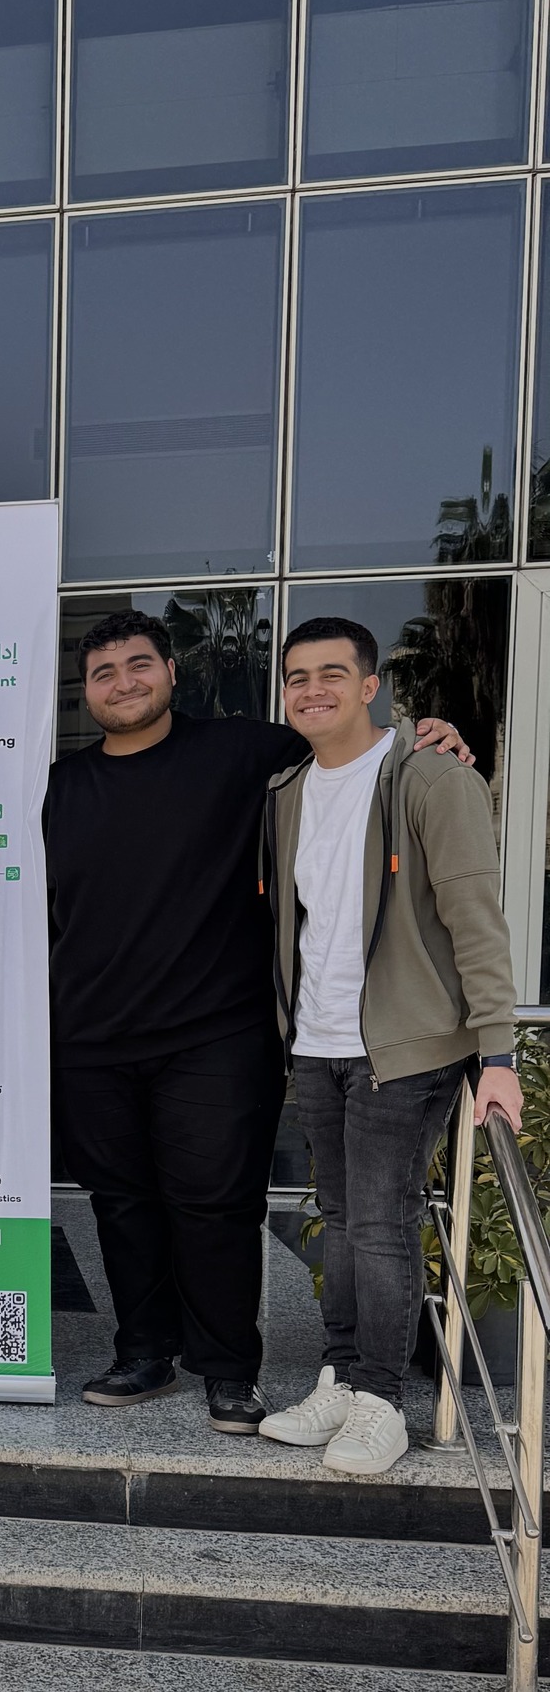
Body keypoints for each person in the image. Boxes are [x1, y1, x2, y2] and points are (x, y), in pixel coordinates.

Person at [45, 612, 468, 1434]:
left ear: (172, 673)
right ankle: (144, 1354)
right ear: (87, 692)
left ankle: (229, 1371)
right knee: (121, 1205)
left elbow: (349, 741)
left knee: (215, 1208)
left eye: (139, 665)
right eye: (104, 673)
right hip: (91, 1038)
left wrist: (428, 734)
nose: (123, 683)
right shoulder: (60, 788)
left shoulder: (246, 753)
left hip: (216, 1034)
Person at [259, 617, 520, 1476]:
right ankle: (341, 1378)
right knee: (339, 1221)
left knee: (380, 1225)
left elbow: (475, 918)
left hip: (403, 1049)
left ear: (371, 686)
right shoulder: (287, 790)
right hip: (317, 1043)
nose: (313, 690)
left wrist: (498, 1056)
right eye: (297, 677)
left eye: (332, 674)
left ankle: (382, 1403)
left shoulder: (431, 777)